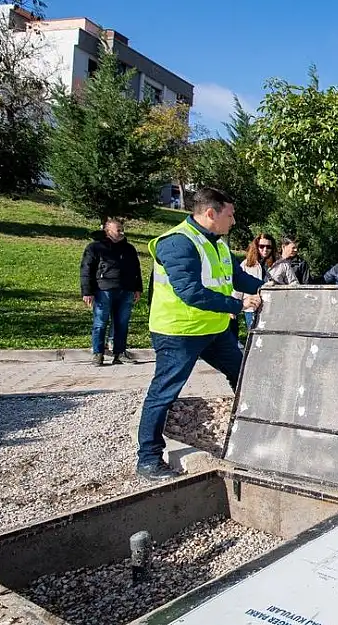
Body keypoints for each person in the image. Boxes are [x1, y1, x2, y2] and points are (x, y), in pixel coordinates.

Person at [135, 188, 265, 481]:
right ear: (211, 213)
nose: (233, 221)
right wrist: (238, 303)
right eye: (229, 215)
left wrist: (270, 286)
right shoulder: (177, 243)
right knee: (164, 393)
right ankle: (148, 459)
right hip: (178, 333)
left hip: (214, 330)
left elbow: (239, 277)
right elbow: (190, 292)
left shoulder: (217, 245)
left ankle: (252, 432)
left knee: (244, 373)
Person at [80, 218, 143, 366]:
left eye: (122, 229)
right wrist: (87, 291)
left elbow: (136, 269)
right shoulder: (95, 248)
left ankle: (119, 353)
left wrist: (137, 288)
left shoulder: (129, 248)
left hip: (126, 290)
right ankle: (98, 353)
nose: (122, 232)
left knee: (121, 323)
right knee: (100, 322)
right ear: (108, 231)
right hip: (104, 290)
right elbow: (86, 270)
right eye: (118, 229)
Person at [236, 233, 277, 329]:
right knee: (253, 337)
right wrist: (235, 308)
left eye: (269, 247)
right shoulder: (246, 264)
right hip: (252, 308)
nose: (265, 249)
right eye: (261, 246)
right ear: (256, 247)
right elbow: (238, 285)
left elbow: (292, 283)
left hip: (273, 308)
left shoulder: (280, 264)